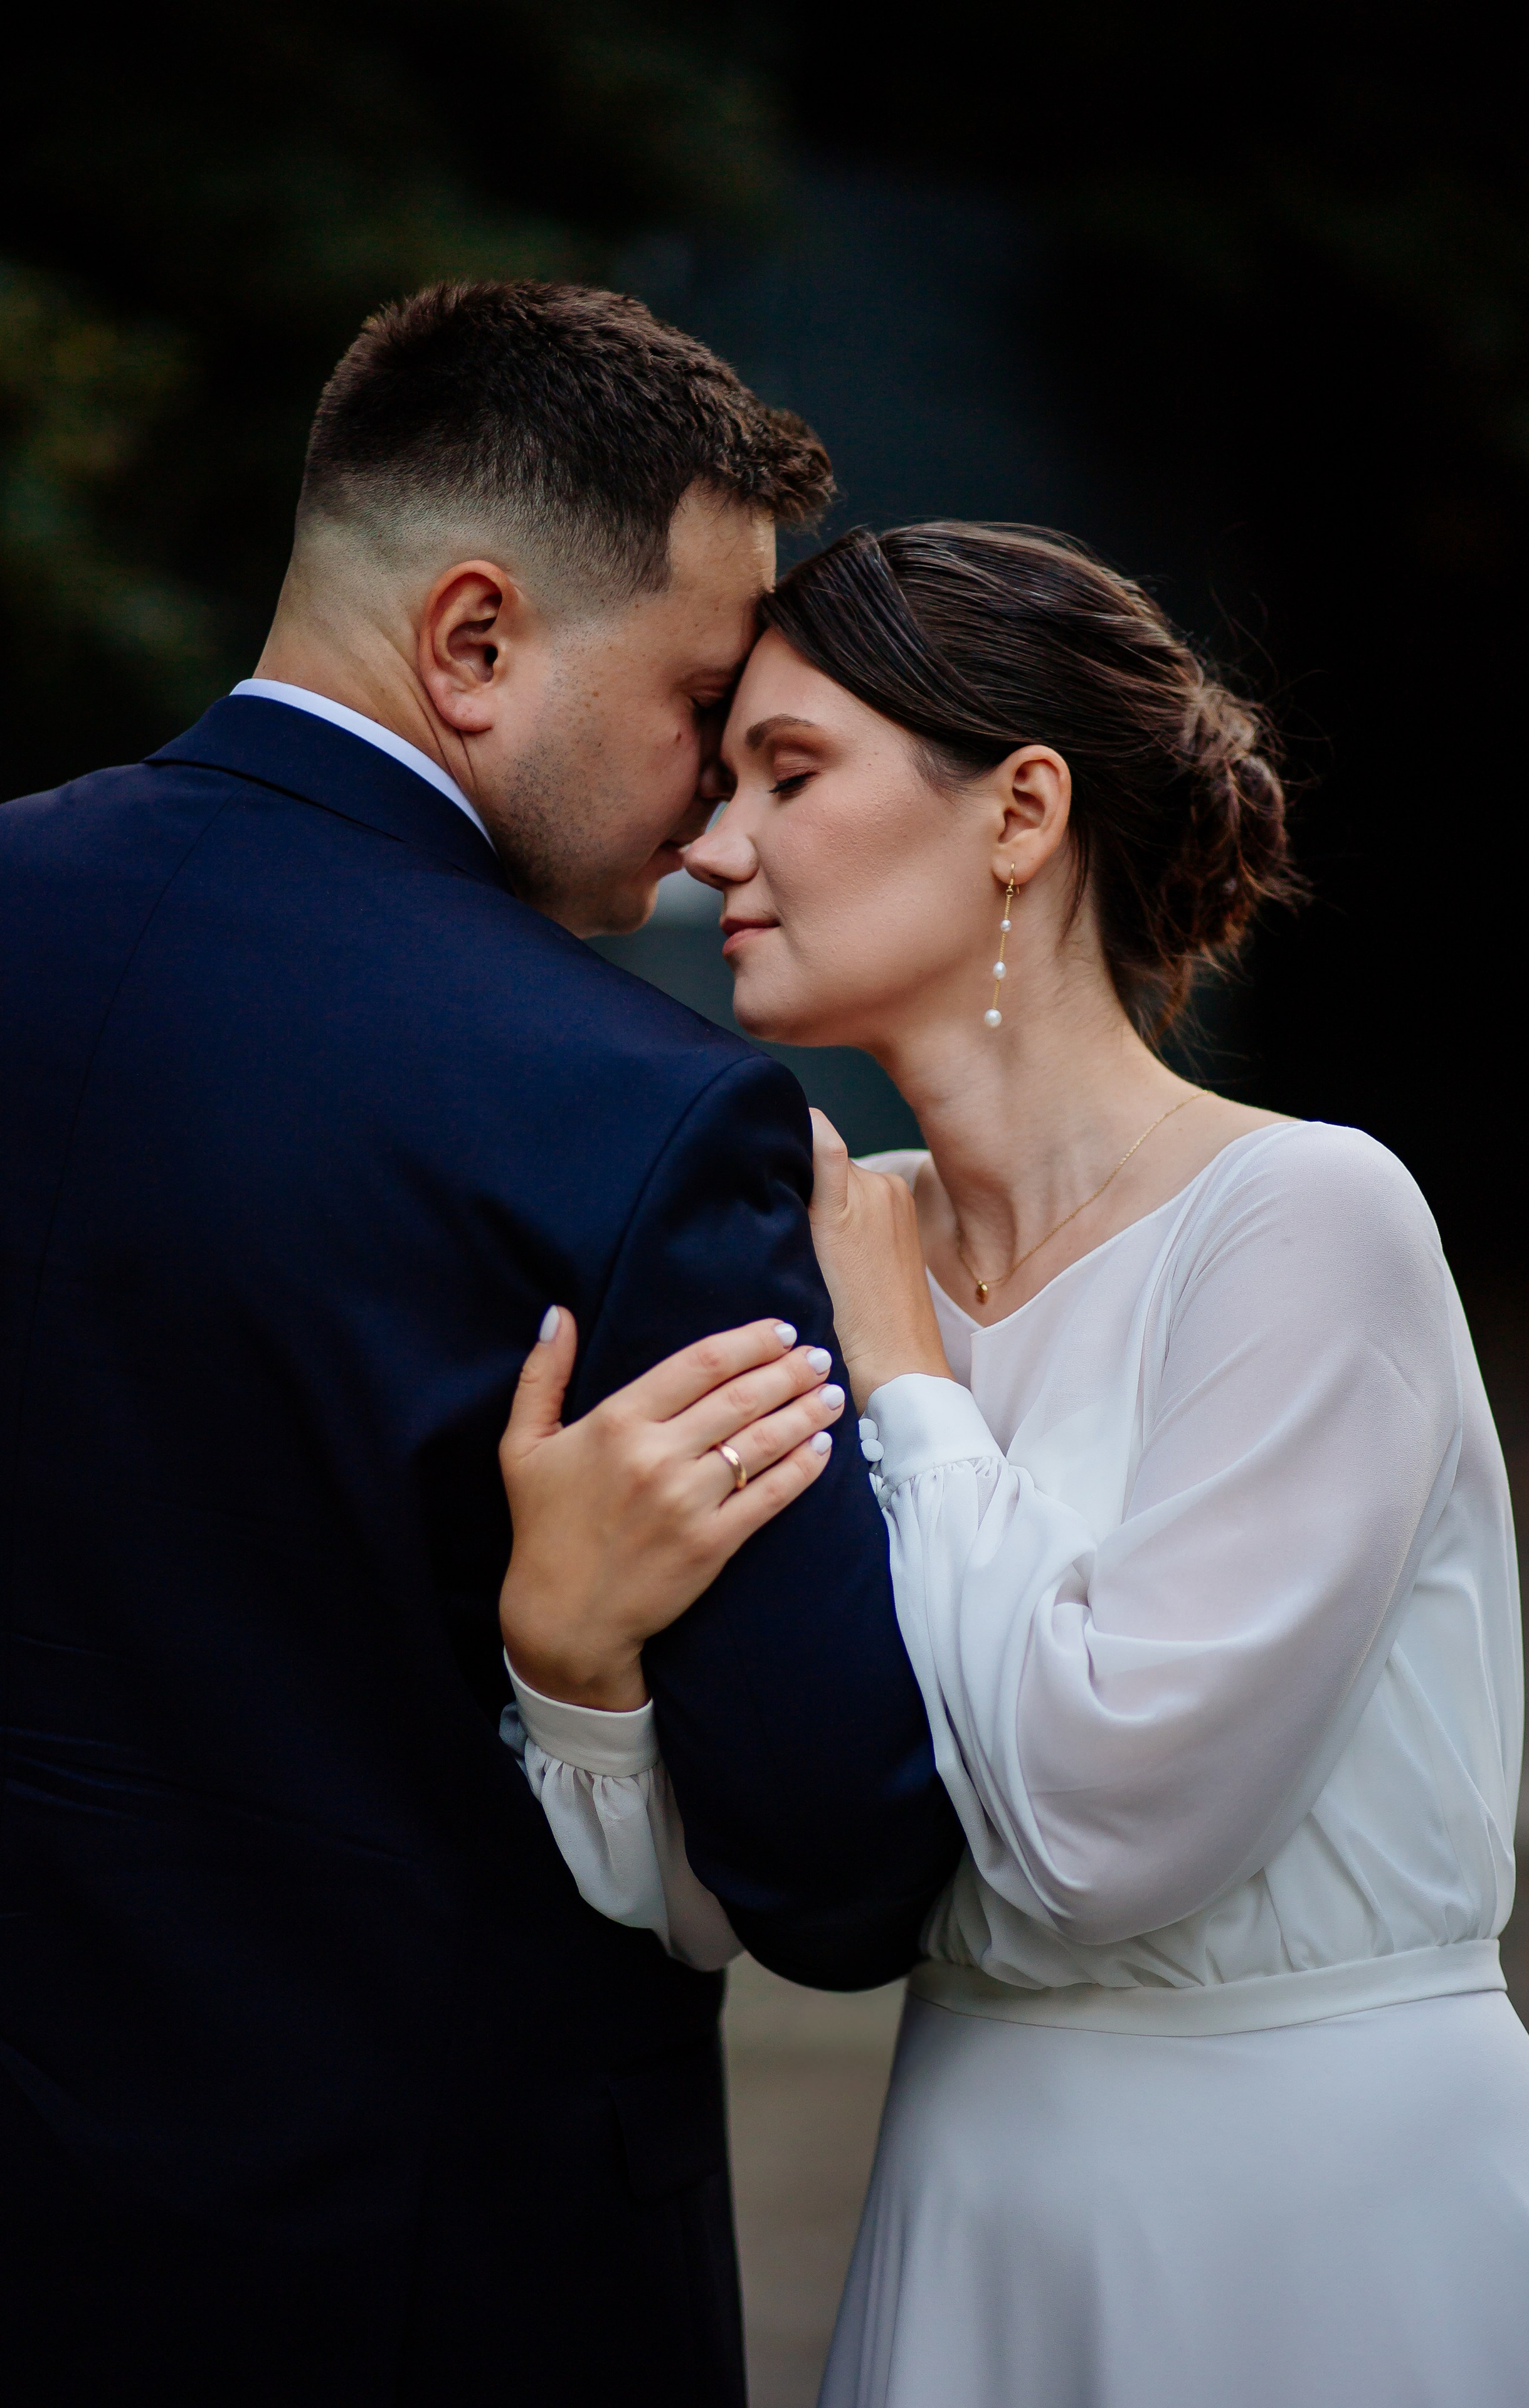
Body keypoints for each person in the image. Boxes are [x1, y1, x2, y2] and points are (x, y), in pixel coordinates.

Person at [496, 522, 1529, 2406]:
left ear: (1020, 811)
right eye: (718, 782)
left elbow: (1104, 1829)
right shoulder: (823, 1245)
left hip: (1322, 2219)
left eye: (789, 775)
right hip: (974, 2209)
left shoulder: (1309, 1222)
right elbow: (739, 1882)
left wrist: (913, 1387)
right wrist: (578, 1665)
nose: (712, 851)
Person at [0, 287, 962, 2408]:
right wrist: (583, 1674)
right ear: (473, 645)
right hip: (426, 2285)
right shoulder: (630, 1116)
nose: (715, 784)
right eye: (704, 696)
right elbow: (841, 1857)